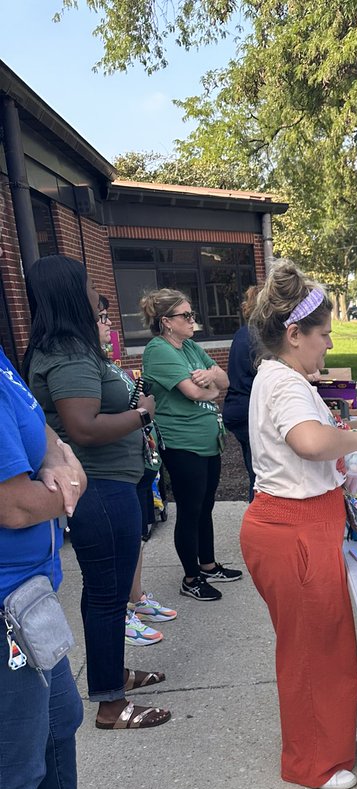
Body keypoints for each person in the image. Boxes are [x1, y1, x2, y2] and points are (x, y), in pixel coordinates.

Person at [0, 342, 150, 789]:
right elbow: (11, 504)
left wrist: (60, 457)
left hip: (28, 593)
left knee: (61, 716)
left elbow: (43, 433)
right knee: (12, 764)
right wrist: (66, 490)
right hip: (3, 603)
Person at [239, 262, 357, 789]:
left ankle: (328, 739)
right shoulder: (286, 385)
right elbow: (308, 442)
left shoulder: (283, 377)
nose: (327, 347)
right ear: (293, 335)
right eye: (322, 336)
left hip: (302, 525)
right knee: (309, 652)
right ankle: (311, 763)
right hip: (294, 531)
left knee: (324, 641)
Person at [24, 256, 170, 731]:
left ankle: (113, 675)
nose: (96, 295)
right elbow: (83, 427)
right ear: (71, 293)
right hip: (98, 490)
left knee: (107, 592)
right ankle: (112, 705)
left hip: (111, 484)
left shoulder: (75, 348)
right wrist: (143, 413)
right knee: (108, 594)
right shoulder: (66, 352)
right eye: (88, 286)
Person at [140, 290, 240, 602]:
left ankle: (207, 565)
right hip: (183, 443)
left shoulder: (191, 347)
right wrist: (209, 388)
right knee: (190, 508)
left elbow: (224, 382)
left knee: (206, 505)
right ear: (166, 322)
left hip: (209, 440)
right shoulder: (158, 351)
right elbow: (196, 394)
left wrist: (209, 375)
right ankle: (191, 577)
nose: (192, 320)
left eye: (191, 314)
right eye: (186, 316)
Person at [95, 295, 177, 649]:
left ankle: (136, 599)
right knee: (116, 545)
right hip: (108, 471)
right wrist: (142, 413)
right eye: (101, 318)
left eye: (107, 317)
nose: (108, 324)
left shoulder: (107, 360)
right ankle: (121, 611)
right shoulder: (83, 364)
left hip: (137, 463)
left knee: (136, 536)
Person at [223, 284, 261, 503]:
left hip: (239, 408)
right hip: (249, 411)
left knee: (254, 472)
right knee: (260, 478)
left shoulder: (243, 332)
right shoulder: (258, 336)